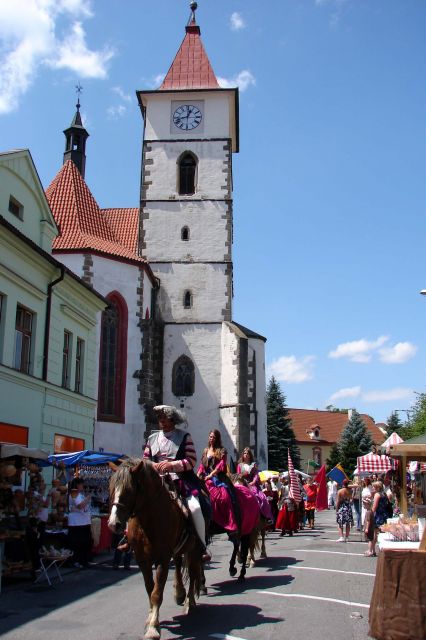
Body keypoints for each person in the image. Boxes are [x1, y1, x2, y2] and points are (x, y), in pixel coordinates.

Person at [144, 405, 211, 561]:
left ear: (173, 420)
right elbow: (145, 460)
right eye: (160, 418)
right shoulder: (152, 438)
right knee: (135, 500)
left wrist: (172, 465)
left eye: (165, 418)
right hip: (156, 480)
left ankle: (202, 545)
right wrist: (153, 465)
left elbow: (192, 460)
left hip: (180, 480)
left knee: (195, 507)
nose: (162, 421)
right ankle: (130, 538)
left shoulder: (184, 436)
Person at [197, 429, 240, 534]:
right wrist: (198, 474)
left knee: (224, 497)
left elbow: (221, 466)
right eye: (210, 436)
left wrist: (211, 475)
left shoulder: (222, 450)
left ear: (217, 438)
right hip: (206, 477)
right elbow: (202, 465)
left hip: (218, 478)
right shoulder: (206, 450)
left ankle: (229, 522)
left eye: (214, 437)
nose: (211, 439)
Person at [237, 447, 273, 522]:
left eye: (247, 453)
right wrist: (241, 478)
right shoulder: (240, 465)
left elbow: (256, 475)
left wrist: (253, 482)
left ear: (250, 455)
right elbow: (238, 475)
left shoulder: (253, 465)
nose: (246, 455)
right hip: (242, 483)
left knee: (261, 498)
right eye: (245, 453)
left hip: (252, 484)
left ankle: (264, 517)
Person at [68, 478, 92, 568]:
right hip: (77, 523)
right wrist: (88, 498)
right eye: (81, 484)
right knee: (77, 543)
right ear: (77, 485)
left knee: (85, 543)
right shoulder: (74, 493)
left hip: (84, 521)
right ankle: (76, 561)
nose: (83, 486)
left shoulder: (80, 494)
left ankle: (84, 560)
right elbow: (80, 505)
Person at [365, 480, 389, 557]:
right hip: (384, 515)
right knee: (381, 533)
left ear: (377, 488)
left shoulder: (377, 495)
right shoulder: (384, 494)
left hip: (377, 515)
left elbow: (374, 508)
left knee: (373, 534)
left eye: (374, 487)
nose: (372, 488)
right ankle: (375, 550)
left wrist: (369, 513)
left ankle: (371, 550)